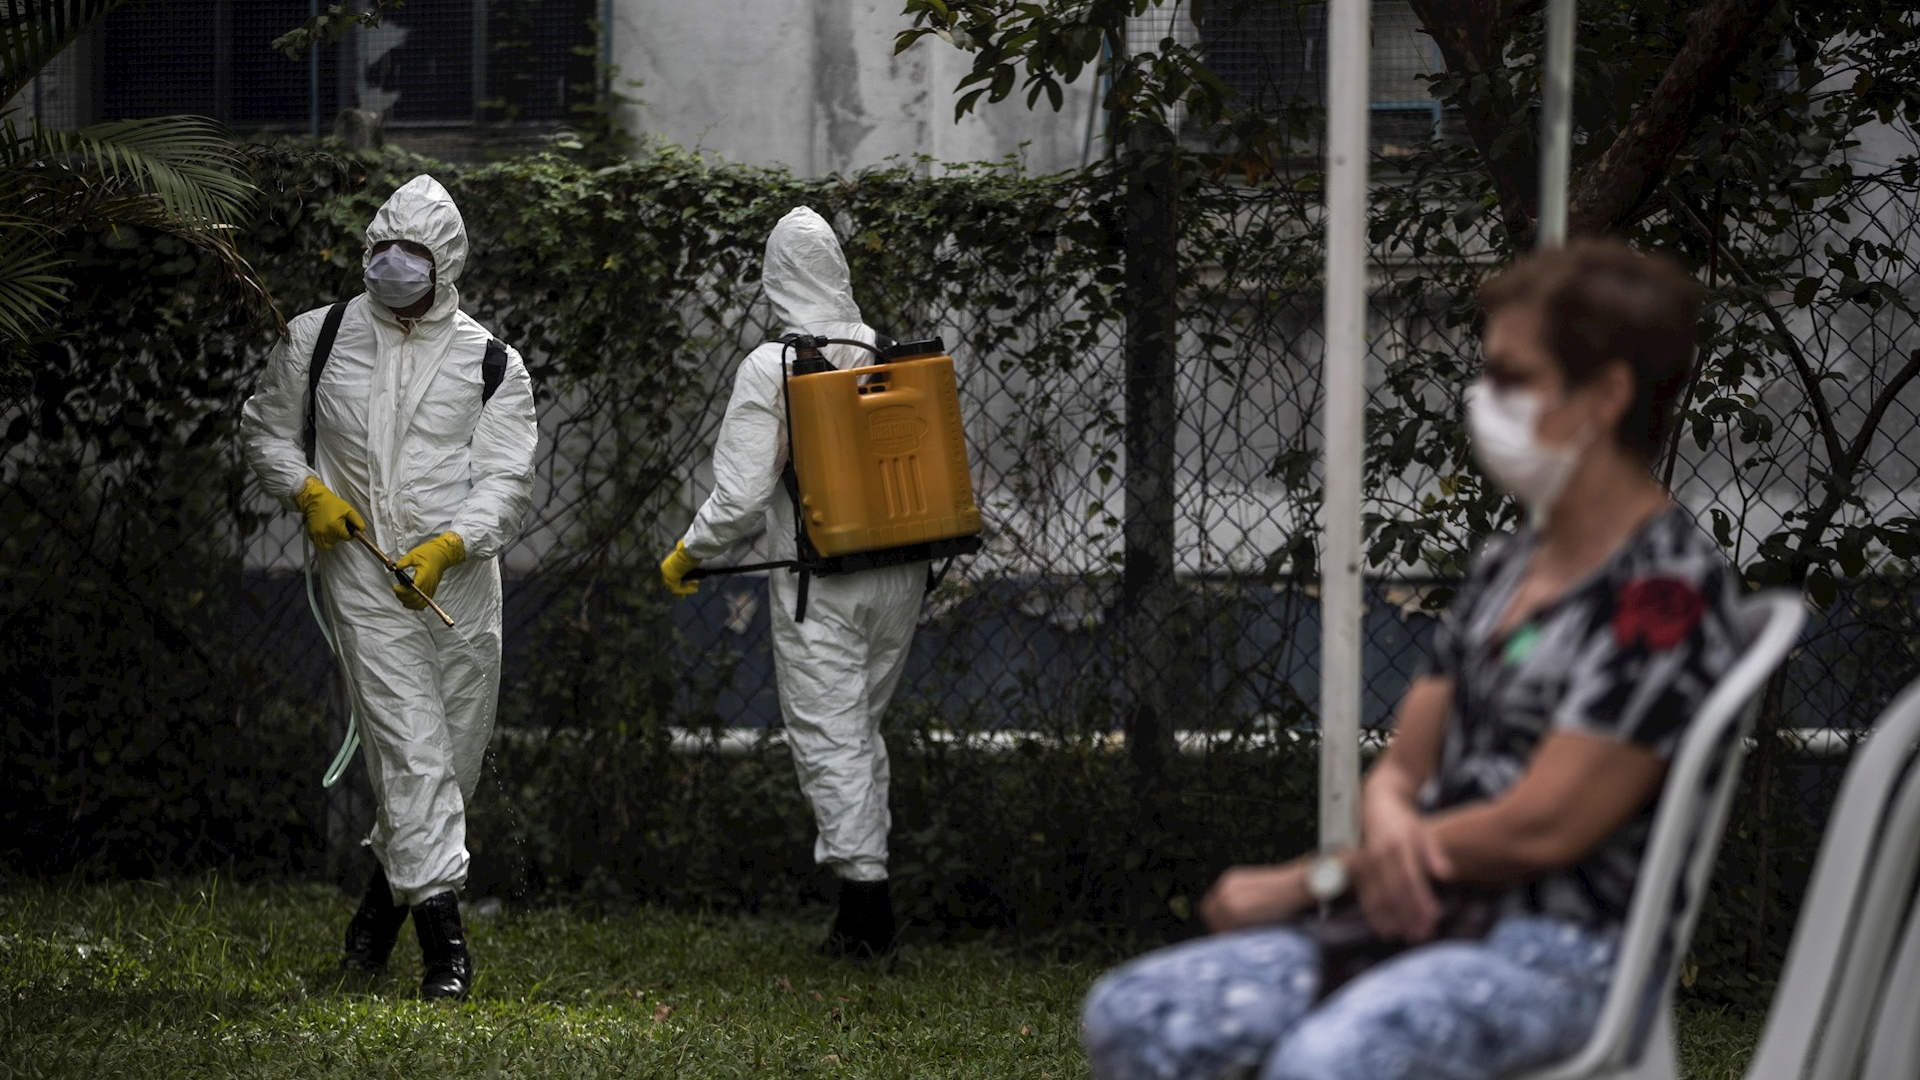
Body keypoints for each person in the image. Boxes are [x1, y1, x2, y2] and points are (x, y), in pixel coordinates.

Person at [1080, 238, 1741, 1080]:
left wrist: (1313, 880)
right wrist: (1387, 832)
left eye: (1512, 377)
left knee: (1332, 1063)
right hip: (1420, 919)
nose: (1482, 400)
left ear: (1604, 395)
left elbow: (1541, 825)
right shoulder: (1510, 567)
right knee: (1140, 1015)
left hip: (1558, 954)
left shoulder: (1664, 593)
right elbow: (1399, 771)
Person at [241, 174, 538, 1001]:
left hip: (460, 589)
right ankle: (446, 955)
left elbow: (506, 484)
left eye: (412, 252)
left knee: (453, 766)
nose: (392, 263)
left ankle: (371, 929)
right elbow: (265, 429)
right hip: (364, 578)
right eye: (382, 247)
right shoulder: (319, 337)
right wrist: (306, 490)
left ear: (446, 264)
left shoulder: (492, 363)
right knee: (412, 753)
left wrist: (450, 546)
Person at [658, 206, 925, 958]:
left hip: (821, 580)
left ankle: (868, 914)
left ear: (776, 279)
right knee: (861, 729)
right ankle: (854, 909)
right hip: (902, 572)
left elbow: (741, 498)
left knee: (828, 735)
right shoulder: (888, 351)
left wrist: (688, 552)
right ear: (837, 271)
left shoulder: (772, 366)